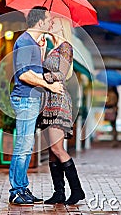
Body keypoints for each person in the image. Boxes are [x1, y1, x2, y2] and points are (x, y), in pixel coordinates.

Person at [9, 6, 64, 205]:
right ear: (40, 22)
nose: (51, 23)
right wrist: (49, 85)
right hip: (25, 100)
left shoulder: (32, 43)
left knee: (26, 146)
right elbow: (24, 75)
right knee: (23, 147)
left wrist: (41, 53)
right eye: (48, 19)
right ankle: (16, 191)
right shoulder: (24, 41)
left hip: (30, 100)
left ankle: (22, 188)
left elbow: (32, 70)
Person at [38, 17, 85, 205]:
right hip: (48, 101)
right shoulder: (52, 49)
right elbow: (48, 70)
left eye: (53, 22)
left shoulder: (66, 47)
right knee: (52, 150)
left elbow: (61, 74)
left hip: (58, 101)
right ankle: (59, 192)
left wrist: (41, 76)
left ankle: (77, 190)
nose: (50, 24)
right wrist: (42, 53)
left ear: (62, 27)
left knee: (57, 148)